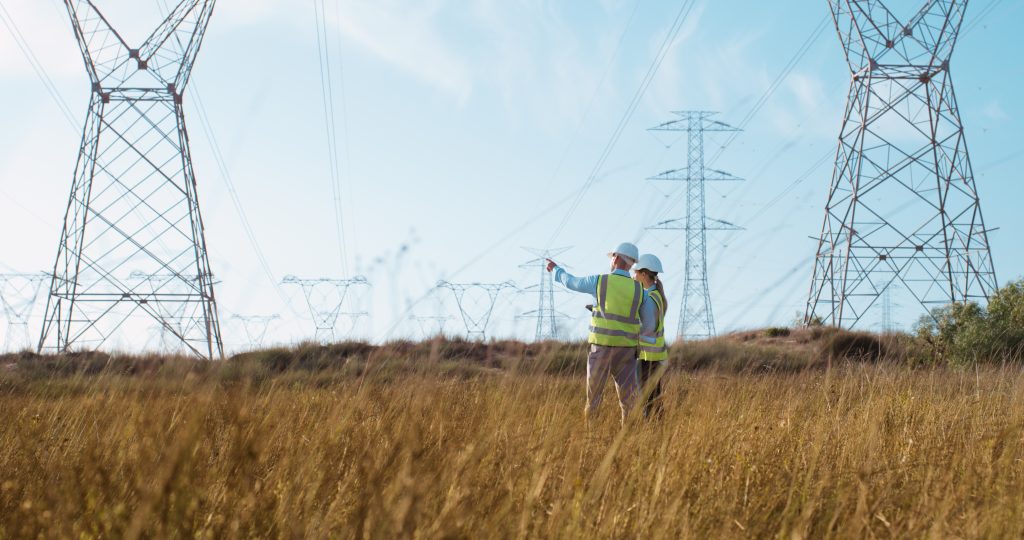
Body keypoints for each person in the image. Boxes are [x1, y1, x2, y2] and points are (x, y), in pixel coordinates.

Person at [545, 242, 658, 423]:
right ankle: (628, 442)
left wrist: (556, 270)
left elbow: (571, 282)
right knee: (629, 402)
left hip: (600, 349)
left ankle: (590, 441)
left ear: (616, 257)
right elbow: (650, 323)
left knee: (594, 400)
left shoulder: (599, 282)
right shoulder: (640, 291)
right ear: (631, 264)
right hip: (626, 352)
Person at [632, 254, 668, 419]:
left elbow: (647, 327)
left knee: (648, 401)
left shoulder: (649, 298)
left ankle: (652, 434)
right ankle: (657, 433)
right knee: (654, 400)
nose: (633, 276)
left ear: (644, 274)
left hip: (648, 358)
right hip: (655, 356)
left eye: (636, 272)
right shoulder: (656, 295)